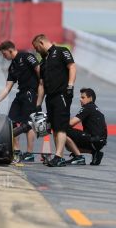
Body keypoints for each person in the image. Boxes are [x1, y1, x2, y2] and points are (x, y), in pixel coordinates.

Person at [0, 40, 41, 162]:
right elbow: (7, 88)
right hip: (21, 94)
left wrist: (41, 88)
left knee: (28, 123)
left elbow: (39, 70)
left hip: (31, 93)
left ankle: (29, 153)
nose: (3, 56)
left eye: (4, 53)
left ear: (10, 50)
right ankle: (16, 150)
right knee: (11, 122)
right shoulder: (12, 67)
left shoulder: (27, 56)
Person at [32, 34, 76, 167]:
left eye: (36, 47)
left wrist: (70, 86)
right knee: (55, 128)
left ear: (41, 42)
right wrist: (38, 104)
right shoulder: (43, 61)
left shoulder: (62, 51)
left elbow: (72, 67)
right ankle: (59, 157)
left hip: (62, 94)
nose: (36, 50)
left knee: (61, 127)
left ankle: (59, 156)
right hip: (50, 97)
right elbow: (41, 84)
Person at [65, 88, 107, 165]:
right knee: (69, 145)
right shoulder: (95, 108)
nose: (80, 100)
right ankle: (95, 153)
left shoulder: (87, 107)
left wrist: (57, 123)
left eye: (83, 97)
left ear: (90, 98)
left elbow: (71, 123)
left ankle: (78, 157)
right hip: (100, 142)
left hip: (93, 140)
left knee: (63, 132)